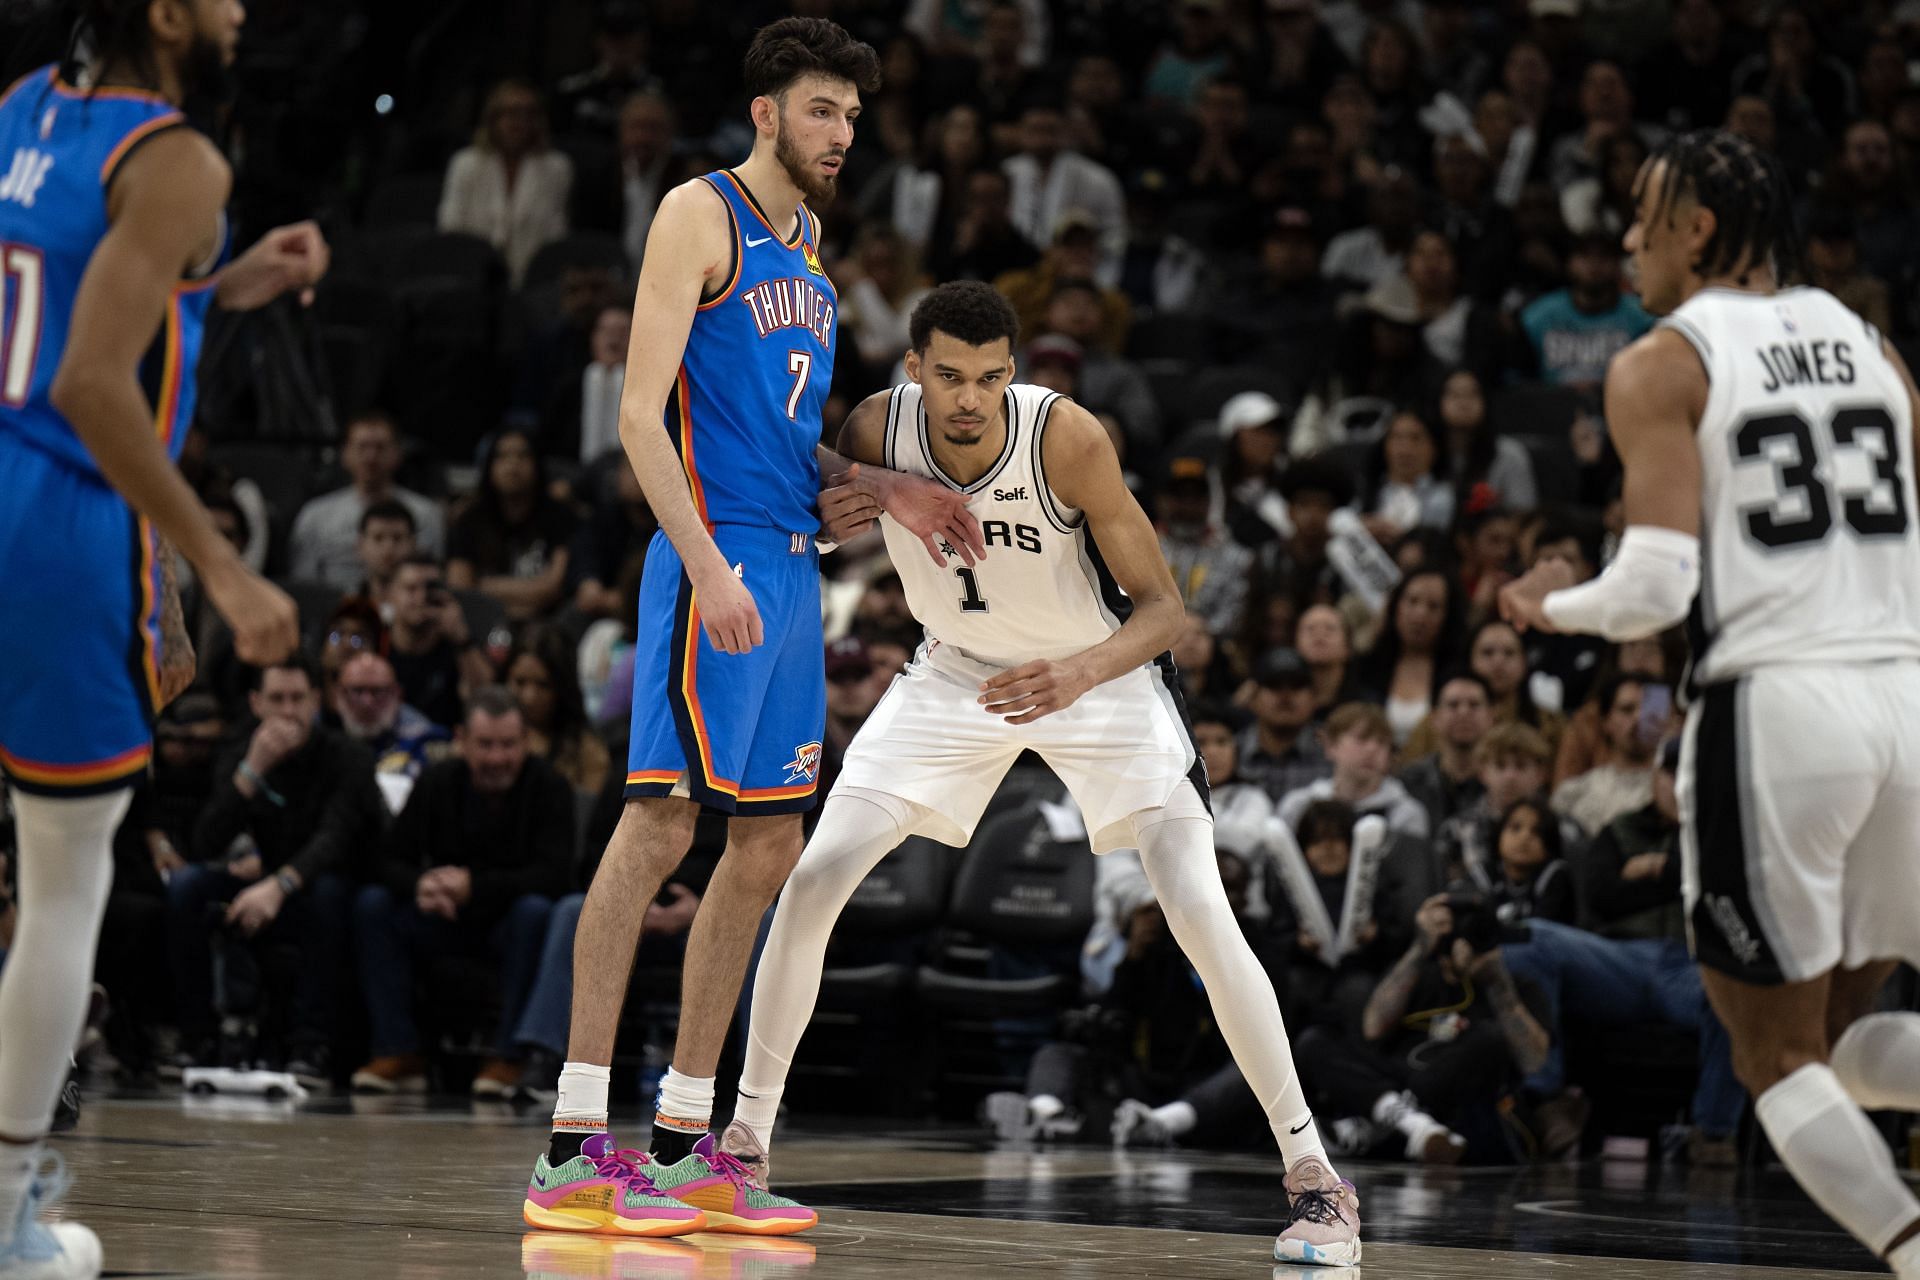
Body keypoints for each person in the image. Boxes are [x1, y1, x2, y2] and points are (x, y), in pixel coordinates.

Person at [736, 280, 1364, 1265]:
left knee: (1199, 907)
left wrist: (1076, 671)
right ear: (914, 371)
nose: (970, 398)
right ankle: (744, 1150)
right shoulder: (875, 426)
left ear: (1013, 373)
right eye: (949, 376)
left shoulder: (1065, 439)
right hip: (949, 673)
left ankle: (1318, 1180)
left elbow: (1164, 610)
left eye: (990, 377)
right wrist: (842, 504)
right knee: (814, 879)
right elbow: (807, 503)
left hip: (1095, 676)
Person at [524, 17, 982, 1242]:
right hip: (713, 564)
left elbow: (792, 438)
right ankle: (571, 1143)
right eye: (823, 111)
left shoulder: (814, 249)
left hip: (787, 566)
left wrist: (886, 491)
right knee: (660, 817)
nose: (844, 135)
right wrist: (705, 560)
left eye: (854, 116)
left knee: (769, 846)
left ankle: (685, 1144)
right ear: (768, 112)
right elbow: (637, 416)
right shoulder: (700, 212)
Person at [1501, 129, 1920, 1279]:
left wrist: (1550, 609)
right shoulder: (1873, 344)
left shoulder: (1664, 359)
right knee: (1833, 1038)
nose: (1625, 238)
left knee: (1771, 1056)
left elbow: (1657, 585)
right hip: (1904, 699)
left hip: (1778, 709)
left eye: (1642, 214)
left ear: (1695, 228)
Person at [0, 1, 314, 1270]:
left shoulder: (24, 107)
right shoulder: (180, 157)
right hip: (59, 527)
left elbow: (73, 295)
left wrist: (226, 279)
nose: (244, 11)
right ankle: (9, 1217)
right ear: (168, 11)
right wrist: (225, 567)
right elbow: (86, 380)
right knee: (65, 880)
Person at [351, 689, 571, 1098]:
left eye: (508, 745)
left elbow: (557, 875)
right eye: (485, 745)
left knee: (536, 911)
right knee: (373, 906)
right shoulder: (438, 782)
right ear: (461, 740)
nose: (496, 758)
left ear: (526, 742)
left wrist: (474, 887)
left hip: (510, 925)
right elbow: (387, 859)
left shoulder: (549, 788)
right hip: (446, 919)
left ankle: (511, 1055)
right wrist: (422, 885)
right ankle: (399, 1053)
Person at [174, 656, 378, 1084]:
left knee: (328, 894)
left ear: (317, 701)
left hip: (333, 878)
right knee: (188, 887)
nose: (288, 710)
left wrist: (277, 885)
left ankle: (310, 1044)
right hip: (268, 878)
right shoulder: (242, 750)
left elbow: (334, 840)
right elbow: (205, 842)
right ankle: (198, 1037)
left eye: (298, 698)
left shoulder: (349, 757)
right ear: (255, 704)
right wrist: (252, 771)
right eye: (277, 699)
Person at [289, 411, 445, 590]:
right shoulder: (314, 516)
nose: (371, 457)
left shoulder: (425, 514)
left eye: (380, 447)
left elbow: (431, 580)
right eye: (362, 447)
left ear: (397, 453)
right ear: (345, 453)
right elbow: (303, 586)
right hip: (332, 612)